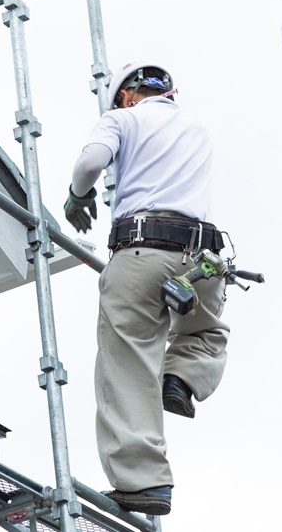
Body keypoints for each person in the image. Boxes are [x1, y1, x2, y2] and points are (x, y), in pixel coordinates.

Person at [63, 61, 230, 516]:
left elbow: (91, 162)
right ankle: (181, 378)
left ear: (125, 95)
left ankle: (144, 482)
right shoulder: (197, 128)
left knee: (127, 365)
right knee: (206, 333)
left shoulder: (123, 118)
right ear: (170, 92)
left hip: (140, 252)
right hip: (204, 258)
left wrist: (80, 194)